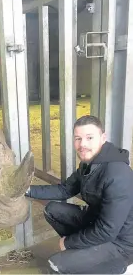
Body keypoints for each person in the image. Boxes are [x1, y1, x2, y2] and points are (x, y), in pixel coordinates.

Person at [25, 115, 133, 274]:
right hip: (96, 222)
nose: (82, 144)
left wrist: (68, 242)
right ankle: (84, 256)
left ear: (103, 138)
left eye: (89, 138)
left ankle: (119, 266)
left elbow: (107, 231)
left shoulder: (117, 174)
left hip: (122, 243)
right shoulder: (89, 164)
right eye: (78, 138)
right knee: (52, 210)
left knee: (55, 266)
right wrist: (26, 190)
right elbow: (65, 189)